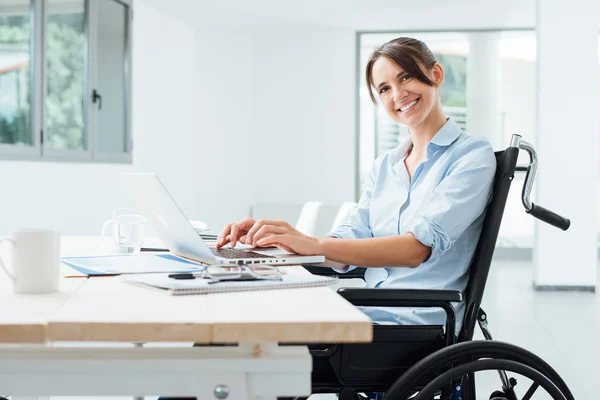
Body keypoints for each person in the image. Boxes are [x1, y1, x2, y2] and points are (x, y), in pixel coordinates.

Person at [161, 36, 496, 400]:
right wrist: (284, 240)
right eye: (383, 88)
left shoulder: (471, 157)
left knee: (230, 351)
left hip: (412, 329)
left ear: (435, 74)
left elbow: (417, 249)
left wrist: (314, 245)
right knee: (220, 339)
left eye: (405, 77)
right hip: (366, 315)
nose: (397, 94)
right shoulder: (386, 166)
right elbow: (350, 237)